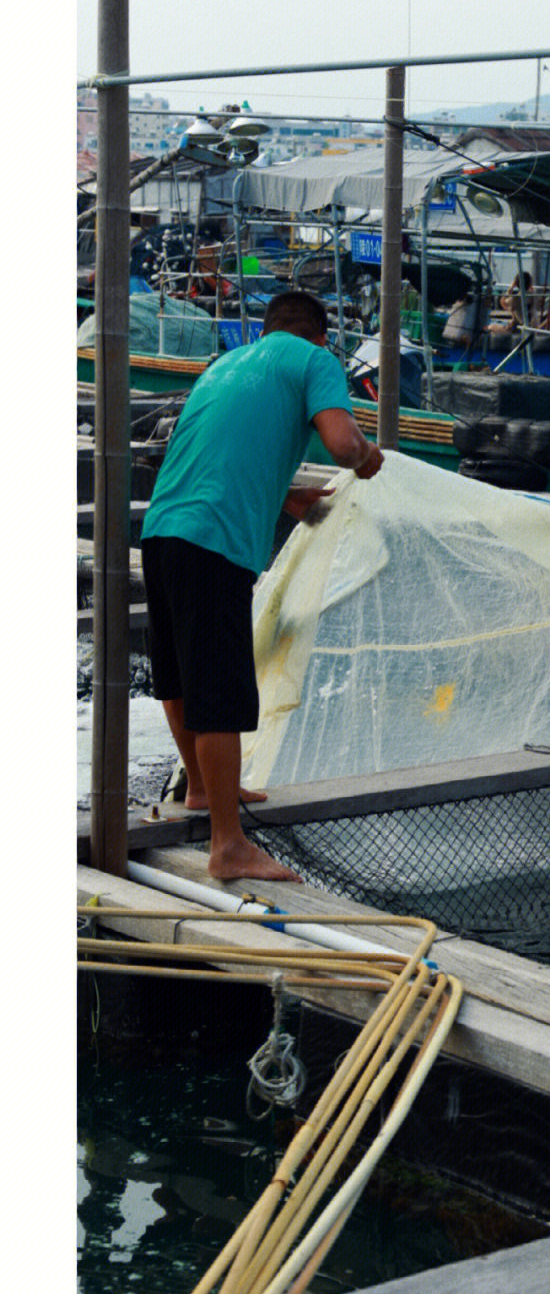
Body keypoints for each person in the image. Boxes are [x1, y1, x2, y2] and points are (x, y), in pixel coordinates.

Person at [139, 290, 384, 881]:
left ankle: (201, 789)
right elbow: (342, 442)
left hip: (162, 528)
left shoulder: (226, 364)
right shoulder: (315, 361)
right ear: (320, 336)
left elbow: (219, 455)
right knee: (219, 687)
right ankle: (228, 844)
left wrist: (288, 499)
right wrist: (368, 456)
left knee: (179, 672)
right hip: (213, 541)